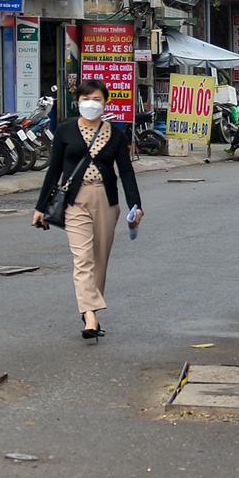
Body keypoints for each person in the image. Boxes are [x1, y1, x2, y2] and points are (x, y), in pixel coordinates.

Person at [33, 77, 141, 342]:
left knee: (99, 260)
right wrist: (40, 206)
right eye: (85, 99)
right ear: (77, 102)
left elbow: (125, 171)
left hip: (106, 199)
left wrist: (136, 205)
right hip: (74, 202)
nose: (90, 104)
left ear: (105, 103)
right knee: (82, 259)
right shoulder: (65, 131)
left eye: (96, 99)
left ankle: (90, 306)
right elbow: (54, 169)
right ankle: (90, 314)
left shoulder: (115, 134)